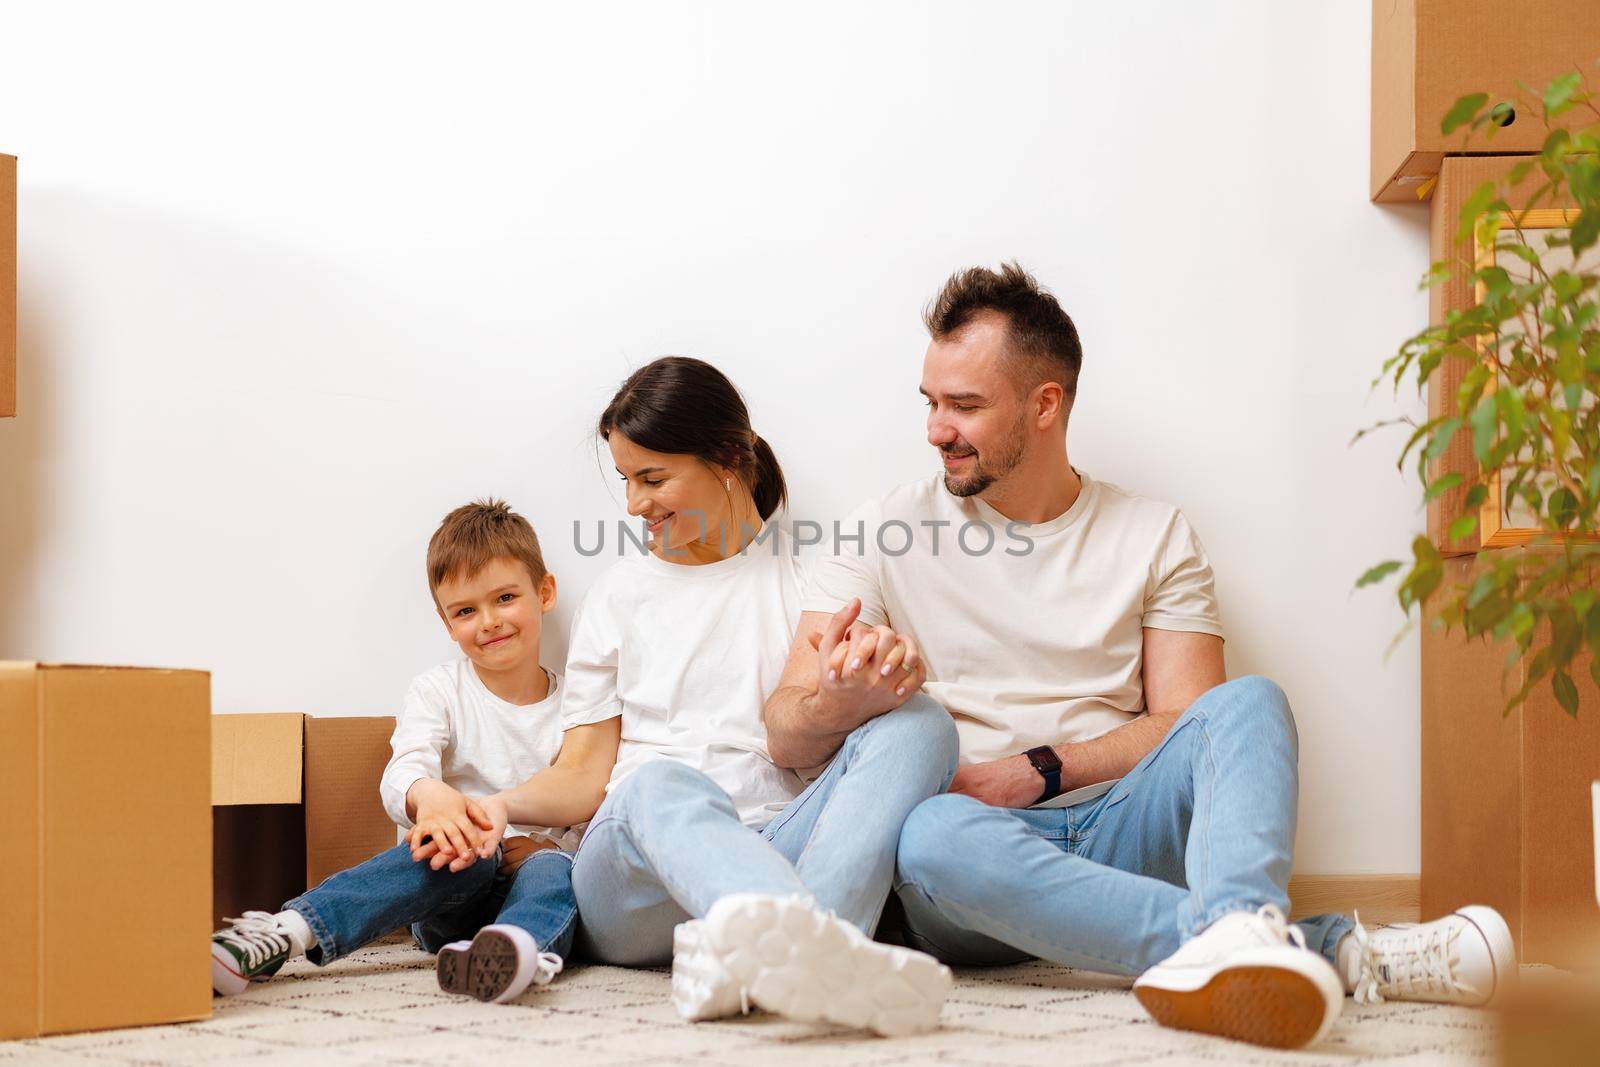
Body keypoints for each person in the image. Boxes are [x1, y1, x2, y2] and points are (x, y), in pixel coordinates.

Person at [763, 263, 1517, 1050]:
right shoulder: (880, 531)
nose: (935, 428)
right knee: (930, 835)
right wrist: (836, 703)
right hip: (973, 853)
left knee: (1250, 701)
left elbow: (1189, 722)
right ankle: (1309, 946)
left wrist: (1039, 768)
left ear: (1044, 403)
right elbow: (784, 732)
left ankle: (1236, 940)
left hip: (1122, 824)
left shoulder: (1152, 533)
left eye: (965, 405)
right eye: (931, 402)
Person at [480, 356, 960, 1036]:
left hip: (775, 842)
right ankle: (824, 943)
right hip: (637, 882)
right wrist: (498, 805)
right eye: (626, 479)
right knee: (656, 784)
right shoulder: (620, 594)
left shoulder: (810, 587)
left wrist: (863, 690)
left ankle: (795, 958)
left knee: (922, 722)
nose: (634, 504)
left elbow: (833, 745)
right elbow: (586, 775)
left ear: (729, 457)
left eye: (652, 477)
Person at [209, 500, 594, 1005]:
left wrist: (555, 848)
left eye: (504, 598)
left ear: (544, 593)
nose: (489, 621)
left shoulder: (578, 705)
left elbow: (594, 793)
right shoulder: (439, 690)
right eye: (465, 611)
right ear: (445, 622)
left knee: (551, 870)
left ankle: (514, 953)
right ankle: (287, 931)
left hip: (534, 883)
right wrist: (430, 798)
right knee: (459, 855)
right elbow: (405, 767)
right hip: (453, 889)